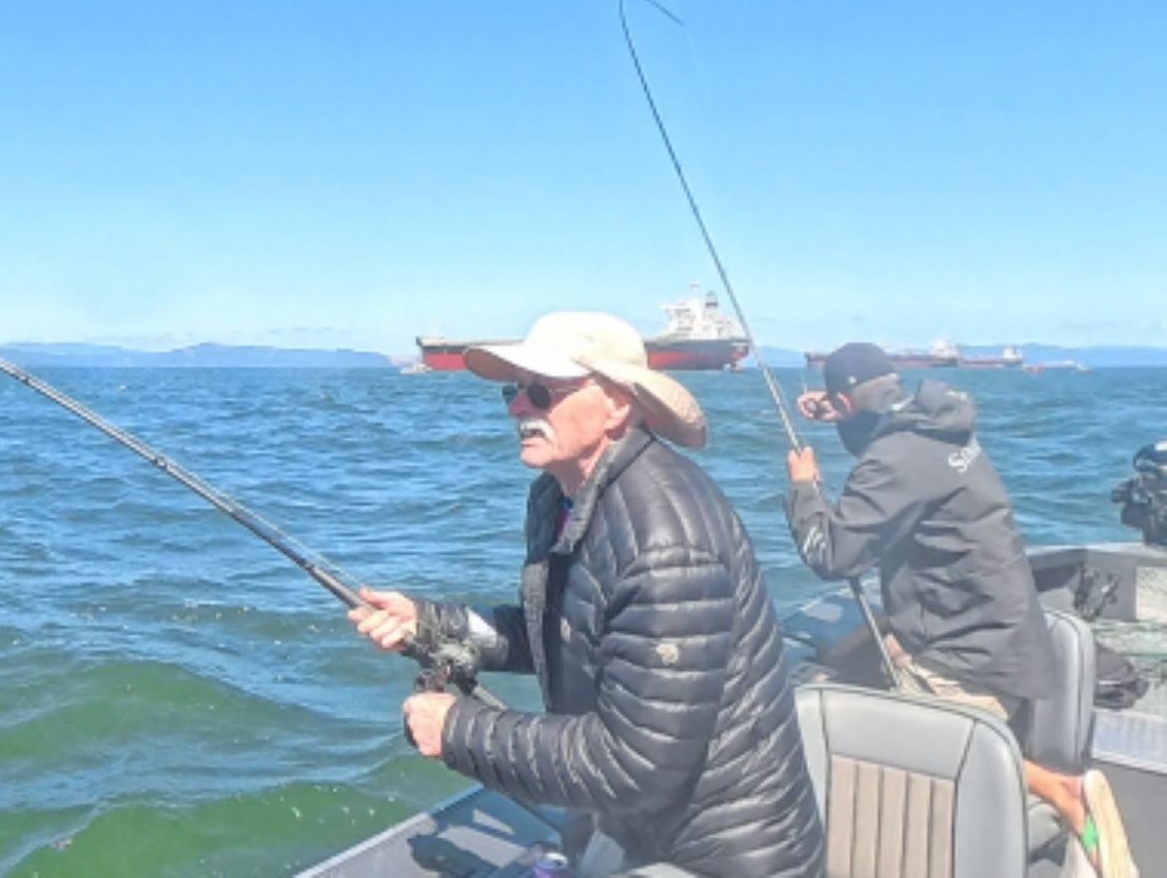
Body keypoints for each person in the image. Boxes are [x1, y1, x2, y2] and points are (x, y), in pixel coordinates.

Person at [351, 312, 824, 876]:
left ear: (616, 405)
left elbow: (637, 762)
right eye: (513, 391)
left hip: (717, 856)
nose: (518, 408)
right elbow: (560, 631)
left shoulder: (666, 544)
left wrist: (457, 729)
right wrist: (430, 624)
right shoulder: (561, 496)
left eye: (541, 392)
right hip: (641, 828)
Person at [786, 342, 1135, 877]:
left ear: (848, 401)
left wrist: (804, 489)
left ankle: (1060, 791)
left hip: (969, 665)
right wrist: (843, 416)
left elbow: (832, 555)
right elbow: (891, 468)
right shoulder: (939, 429)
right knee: (889, 657)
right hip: (1011, 643)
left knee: (846, 749)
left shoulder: (895, 457)